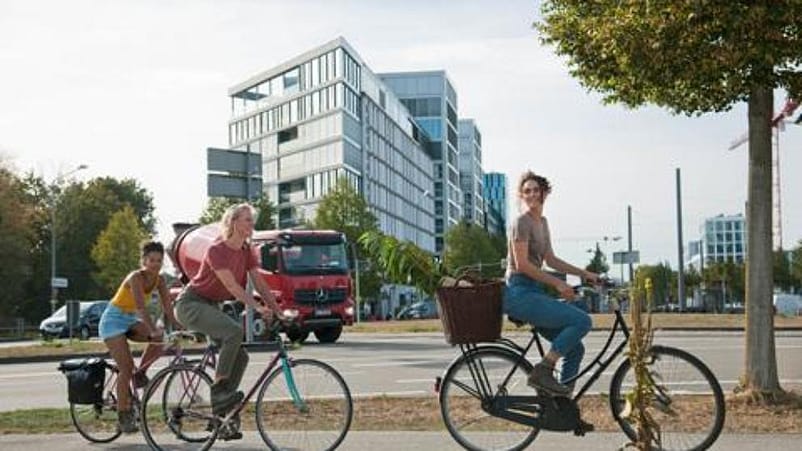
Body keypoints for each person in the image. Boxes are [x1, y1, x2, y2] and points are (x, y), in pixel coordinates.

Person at [174, 203, 282, 421]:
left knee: (241, 356)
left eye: (252, 220)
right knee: (234, 332)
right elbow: (233, 287)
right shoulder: (217, 250)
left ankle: (223, 410)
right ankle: (220, 393)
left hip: (212, 306)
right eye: (247, 220)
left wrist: (278, 310)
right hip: (191, 304)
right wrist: (259, 307)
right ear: (234, 223)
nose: (252, 224)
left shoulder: (246, 250)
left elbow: (259, 283)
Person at [504, 171, 600, 396]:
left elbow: (551, 260)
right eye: (527, 191)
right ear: (521, 195)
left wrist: (585, 274)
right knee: (582, 322)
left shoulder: (542, 223)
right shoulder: (521, 222)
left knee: (575, 349)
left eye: (536, 190)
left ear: (544, 193)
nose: (532, 194)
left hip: (534, 291)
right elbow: (523, 265)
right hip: (519, 292)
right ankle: (543, 371)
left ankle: (562, 404)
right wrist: (558, 284)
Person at [98, 240, 180, 433]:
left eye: (159, 260)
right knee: (125, 367)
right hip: (112, 321)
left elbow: (168, 306)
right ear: (143, 260)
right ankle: (123, 415)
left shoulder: (159, 280)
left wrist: (178, 326)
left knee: (160, 341)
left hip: (129, 319)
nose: (155, 264)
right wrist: (152, 329)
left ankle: (140, 374)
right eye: (151, 260)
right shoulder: (135, 277)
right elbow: (141, 307)